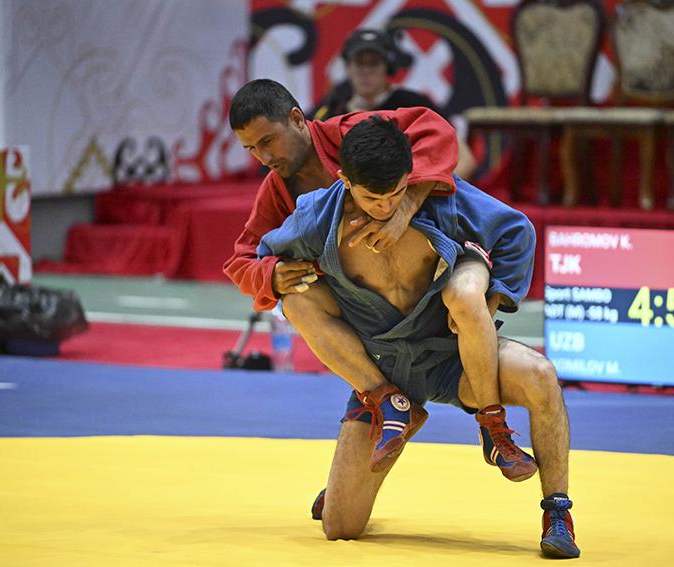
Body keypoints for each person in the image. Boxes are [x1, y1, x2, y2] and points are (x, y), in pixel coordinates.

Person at [257, 116, 580, 559]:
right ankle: (383, 407)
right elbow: (262, 253)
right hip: (382, 366)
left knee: (541, 375)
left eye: (396, 194)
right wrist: (272, 274)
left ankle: (556, 510)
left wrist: (491, 302)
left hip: (458, 360)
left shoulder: (439, 200)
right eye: (373, 198)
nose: (386, 207)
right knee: (340, 526)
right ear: (344, 180)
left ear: (410, 177)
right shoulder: (317, 217)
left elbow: (517, 232)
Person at [225, 79, 532, 481]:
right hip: (372, 325)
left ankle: (493, 425)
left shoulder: (356, 137)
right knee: (296, 300)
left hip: (432, 301)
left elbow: (435, 129)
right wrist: (272, 275)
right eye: (251, 149)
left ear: (297, 119)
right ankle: (388, 400)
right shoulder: (277, 190)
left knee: (474, 299)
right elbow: (242, 261)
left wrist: (408, 205)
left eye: (268, 141)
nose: (263, 157)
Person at [310, 28, 477, 179]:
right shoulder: (331, 109)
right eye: (360, 63)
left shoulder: (415, 106)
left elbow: (465, 159)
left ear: (388, 67)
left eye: (374, 63)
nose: (366, 71)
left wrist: (429, 193)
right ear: (348, 67)